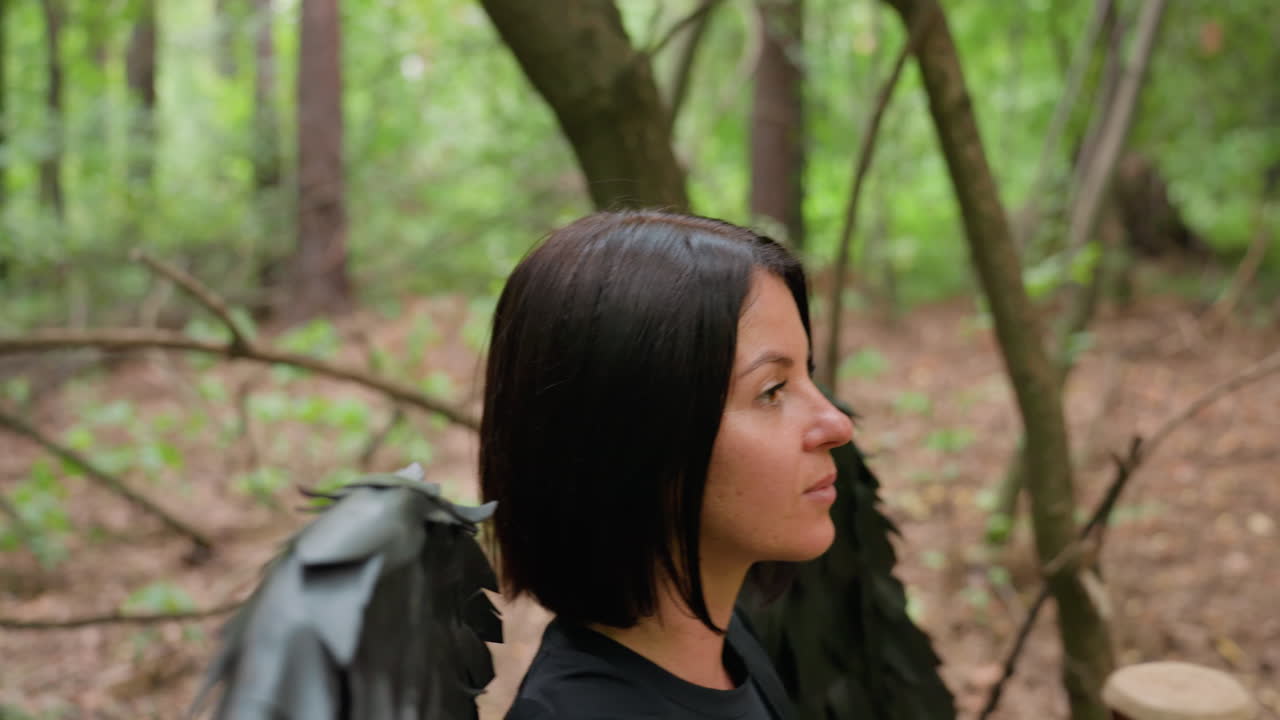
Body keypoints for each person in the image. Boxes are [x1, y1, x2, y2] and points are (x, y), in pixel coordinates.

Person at [480, 210, 854, 719]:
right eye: (772, 391)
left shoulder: (723, 647)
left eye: (807, 373)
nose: (836, 423)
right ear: (638, 440)